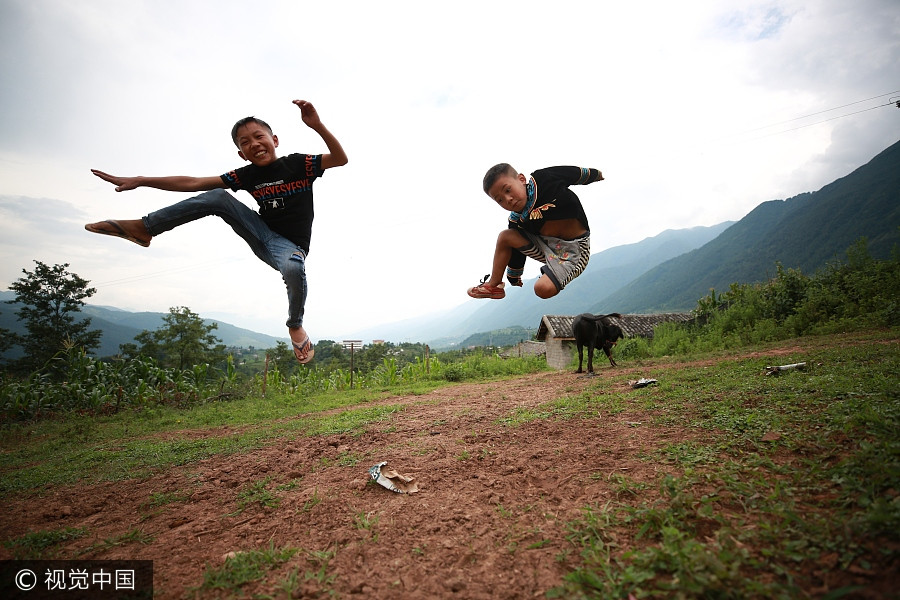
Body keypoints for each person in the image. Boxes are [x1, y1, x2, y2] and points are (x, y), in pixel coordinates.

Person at [86, 99, 348, 364]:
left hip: (289, 247)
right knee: (218, 197)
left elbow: (340, 159)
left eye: (259, 137)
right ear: (241, 154)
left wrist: (316, 125)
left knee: (293, 267)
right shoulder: (246, 175)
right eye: (245, 142)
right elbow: (195, 182)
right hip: (259, 232)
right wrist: (142, 181)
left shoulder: (298, 164)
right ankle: (144, 227)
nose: (254, 144)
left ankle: (295, 324)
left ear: (275, 140)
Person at [467, 163, 604, 300]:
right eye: (500, 200)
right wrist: (514, 276)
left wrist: (595, 175)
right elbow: (516, 252)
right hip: (546, 248)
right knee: (505, 236)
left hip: (574, 252)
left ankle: (553, 273)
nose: (508, 199)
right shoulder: (516, 219)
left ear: (521, 179)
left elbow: (570, 173)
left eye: (508, 190)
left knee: (542, 289)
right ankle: (493, 285)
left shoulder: (543, 180)